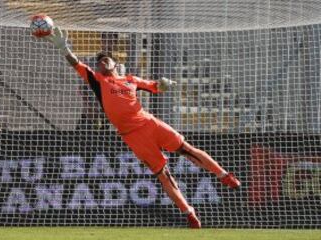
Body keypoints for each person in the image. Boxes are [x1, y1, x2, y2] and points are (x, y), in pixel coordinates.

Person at [45, 27, 240, 228]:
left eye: (106, 59)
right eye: (99, 61)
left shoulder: (131, 80)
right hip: (133, 136)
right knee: (164, 174)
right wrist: (64, 48)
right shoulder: (98, 80)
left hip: (150, 123)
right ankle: (189, 212)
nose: (102, 61)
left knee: (186, 149)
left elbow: (154, 86)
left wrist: (163, 84)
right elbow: (76, 64)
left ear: (115, 63)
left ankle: (223, 175)